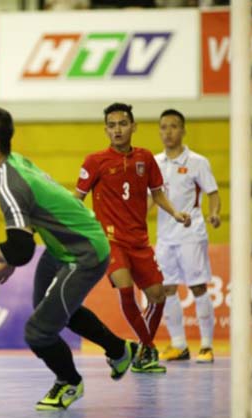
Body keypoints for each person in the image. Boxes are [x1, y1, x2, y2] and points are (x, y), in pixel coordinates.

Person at [0, 105, 138, 411]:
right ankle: (119, 349)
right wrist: (7, 264)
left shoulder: (9, 181)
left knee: (38, 330)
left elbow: (22, 250)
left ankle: (69, 382)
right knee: (50, 311)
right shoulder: (12, 164)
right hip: (62, 245)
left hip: (83, 252)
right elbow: (27, 227)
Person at [74, 102, 191, 373]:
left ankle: (141, 352)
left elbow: (158, 193)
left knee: (158, 296)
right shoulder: (95, 161)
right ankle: (147, 349)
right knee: (126, 290)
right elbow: (77, 199)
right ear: (106, 130)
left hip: (139, 240)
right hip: (110, 240)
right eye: (112, 125)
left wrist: (175, 213)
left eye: (123, 124)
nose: (117, 129)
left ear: (133, 127)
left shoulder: (145, 158)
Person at [153, 109, 221, 363]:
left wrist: (214, 213)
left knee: (198, 286)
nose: (168, 131)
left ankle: (206, 346)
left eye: (173, 126)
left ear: (182, 130)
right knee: (167, 288)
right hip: (164, 237)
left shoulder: (197, 162)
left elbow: (213, 193)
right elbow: (152, 199)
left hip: (191, 234)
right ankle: (178, 345)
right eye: (163, 127)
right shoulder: (155, 163)